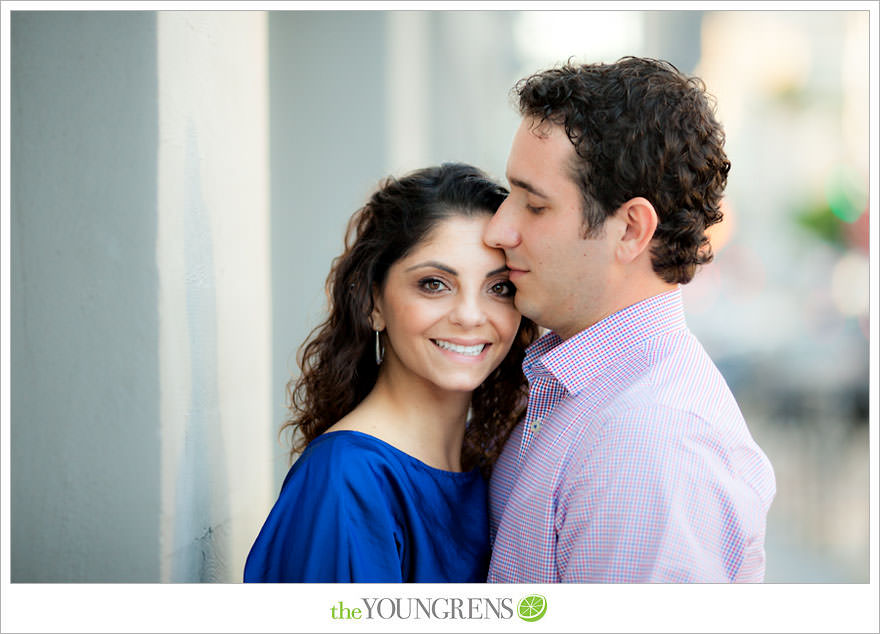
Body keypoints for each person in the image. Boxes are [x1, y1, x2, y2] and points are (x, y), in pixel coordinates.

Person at [483, 57, 776, 583]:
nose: (499, 229)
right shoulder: (584, 391)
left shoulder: (648, 442)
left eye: (535, 205)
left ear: (631, 228)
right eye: (510, 195)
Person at [244, 163, 538, 582]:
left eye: (499, 288)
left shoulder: (490, 462)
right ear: (372, 303)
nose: (471, 316)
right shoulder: (347, 480)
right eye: (434, 284)